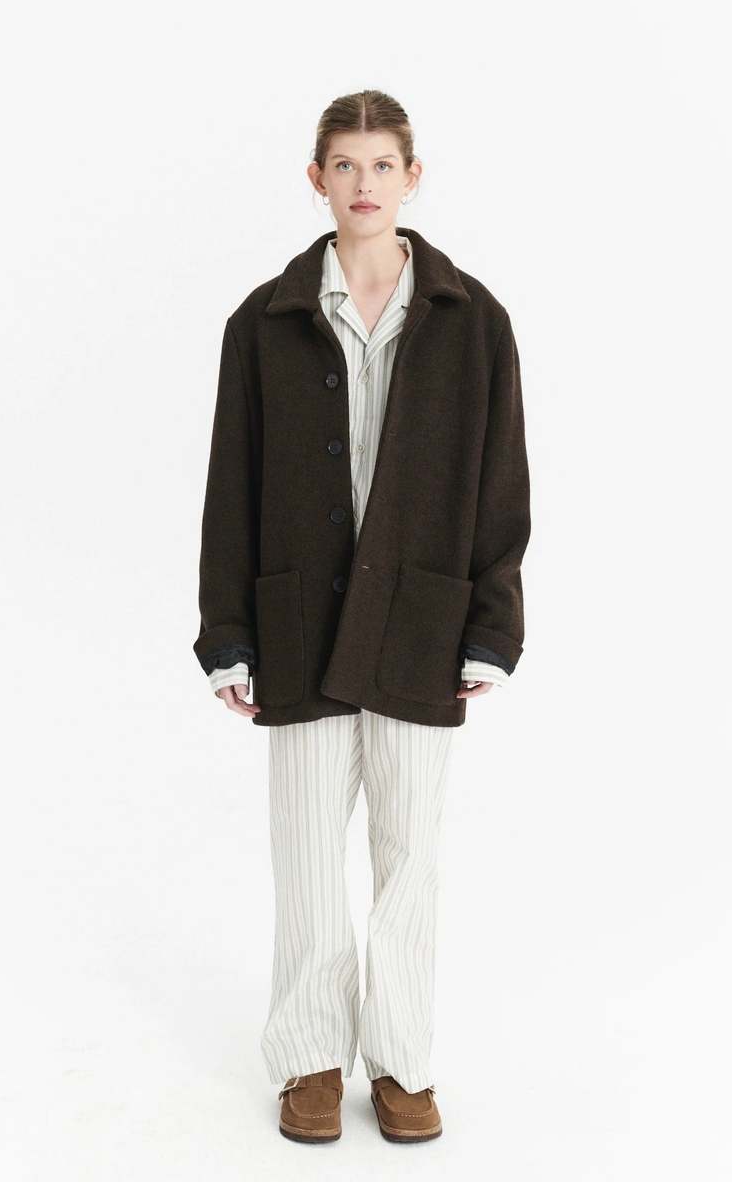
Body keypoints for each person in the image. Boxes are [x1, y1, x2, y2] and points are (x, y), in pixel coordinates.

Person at [193, 89, 531, 1144]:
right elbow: (231, 486)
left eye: (383, 165)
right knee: (305, 857)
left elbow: (500, 483)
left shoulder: (473, 321)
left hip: (421, 623)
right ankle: (308, 1057)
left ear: (411, 178)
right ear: (317, 180)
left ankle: (402, 1063)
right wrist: (227, 634)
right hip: (297, 624)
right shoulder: (263, 321)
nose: (364, 184)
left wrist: (492, 627)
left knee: (409, 860)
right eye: (345, 165)